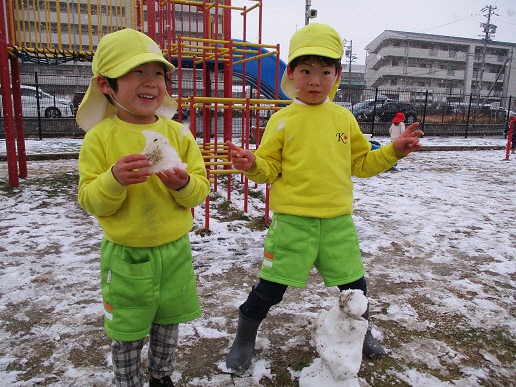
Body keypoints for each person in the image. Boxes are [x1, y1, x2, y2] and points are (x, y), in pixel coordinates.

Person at [225, 23, 424, 375]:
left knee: (356, 285)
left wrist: (393, 150)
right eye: (305, 71)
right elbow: (268, 168)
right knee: (270, 289)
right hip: (292, 223)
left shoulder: (343, 118)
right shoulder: (282, 120)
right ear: (291, 73)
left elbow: (362, 163)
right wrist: (252, 163)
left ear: (338, 74)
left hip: (337, 223)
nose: (315, 80)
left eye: (325, 71)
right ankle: (244, 336)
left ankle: (362, 332)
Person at [76, 28, 210, 387]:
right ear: (107, 85)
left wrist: (184, 185)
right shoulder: (100, 137)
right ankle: (128, 380)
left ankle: (162, 376)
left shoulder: (178, 134)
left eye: (158, 73)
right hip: (126, 255)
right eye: (137, 72)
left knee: (168, 324)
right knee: (128, 330)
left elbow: (200, 190)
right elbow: (89, 198)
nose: (151, 83)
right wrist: (114, 180)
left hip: (175, 250)